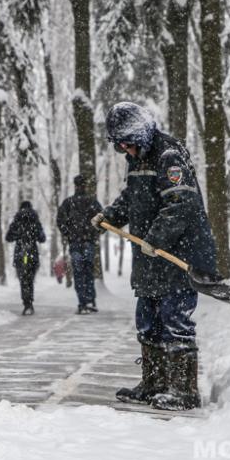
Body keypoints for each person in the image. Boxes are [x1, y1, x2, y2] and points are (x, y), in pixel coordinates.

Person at [91, 102, 216, 411]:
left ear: (142, 134)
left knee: (174, 318)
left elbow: (180, 205)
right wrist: (108, 217)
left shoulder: (168, 155)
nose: (124, 149)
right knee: (148, 320)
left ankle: (183, 390)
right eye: (119, 144)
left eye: (127, 142)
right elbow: (132, 198)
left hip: (178, 254)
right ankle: (155, 383)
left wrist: (155, 239)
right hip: (150, 257)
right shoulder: (138, 158)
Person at [57, 174, 103, 314]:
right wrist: (95, 234)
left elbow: (60, 221)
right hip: (88, 242)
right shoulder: (92, 202)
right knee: (88, 271)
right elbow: (103, 220)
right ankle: (90, 301)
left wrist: (68, 233)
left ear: (75, 185)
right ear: (85, 185)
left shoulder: (68, 202)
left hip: (75, 242)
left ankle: (82, 302)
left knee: (78, 273)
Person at [5, 201, 46, 316]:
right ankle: (30, 303)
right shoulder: (35, 220)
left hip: (21, 252)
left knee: (23, 279)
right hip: (32, 252)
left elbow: (8, 237)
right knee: (30, 278)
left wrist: (18, 235)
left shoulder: (17, 220)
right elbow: (42, 238)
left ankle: (26, 303)